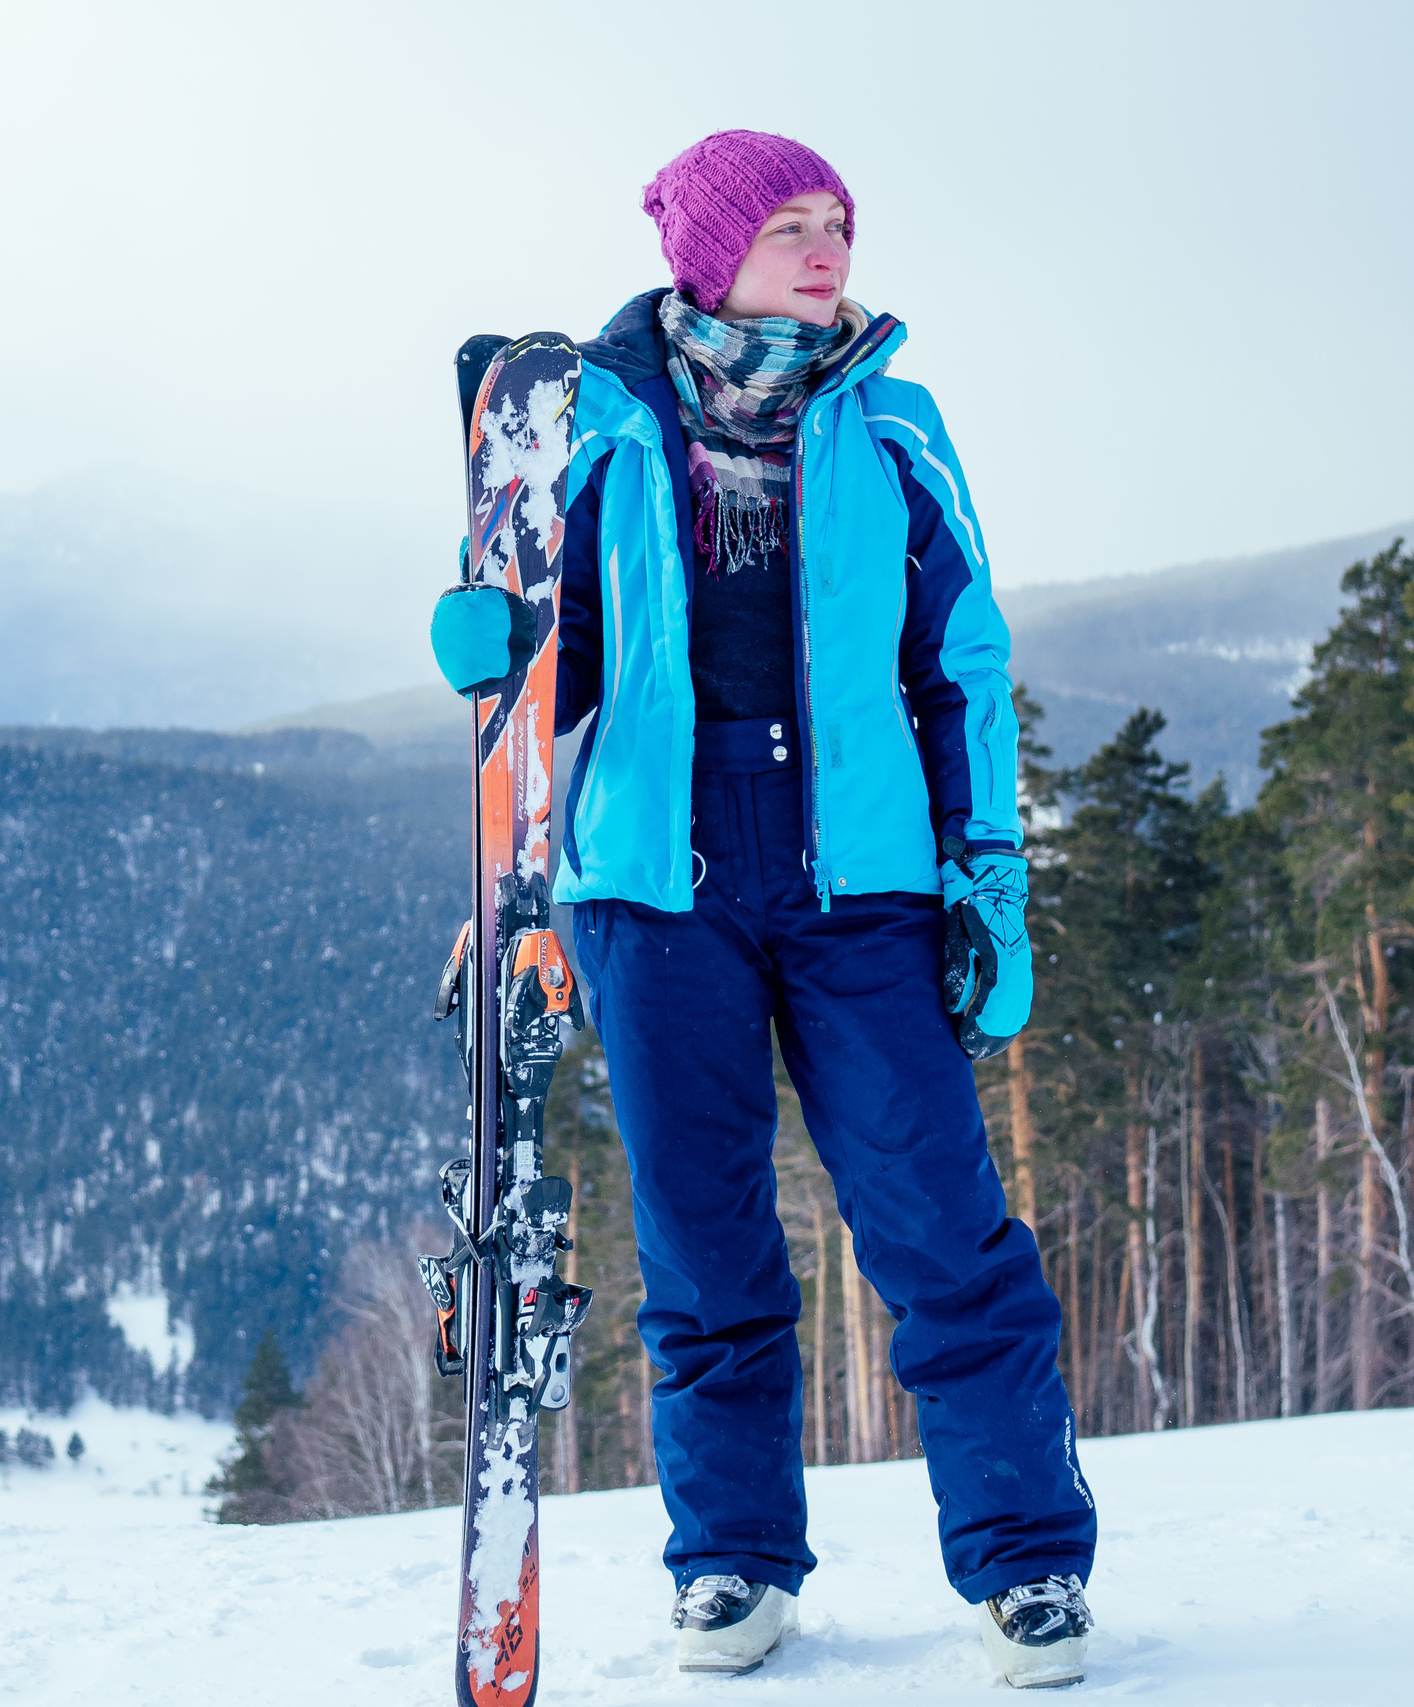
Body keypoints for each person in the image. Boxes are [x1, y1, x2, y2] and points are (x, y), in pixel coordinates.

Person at [430, 130, 1096, 1689]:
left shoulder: (895, 421)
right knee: (704, 1248)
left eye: (836, 225)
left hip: (859, 881)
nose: (823, 250)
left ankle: (1028, 1566)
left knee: (943, 1231)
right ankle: (731, 1563)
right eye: (788, 224)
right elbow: (562, 660)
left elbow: (961, 665)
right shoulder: (596, 421)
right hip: (658, 891)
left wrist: (985, 869)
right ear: (707, 247)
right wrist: (497, 643)